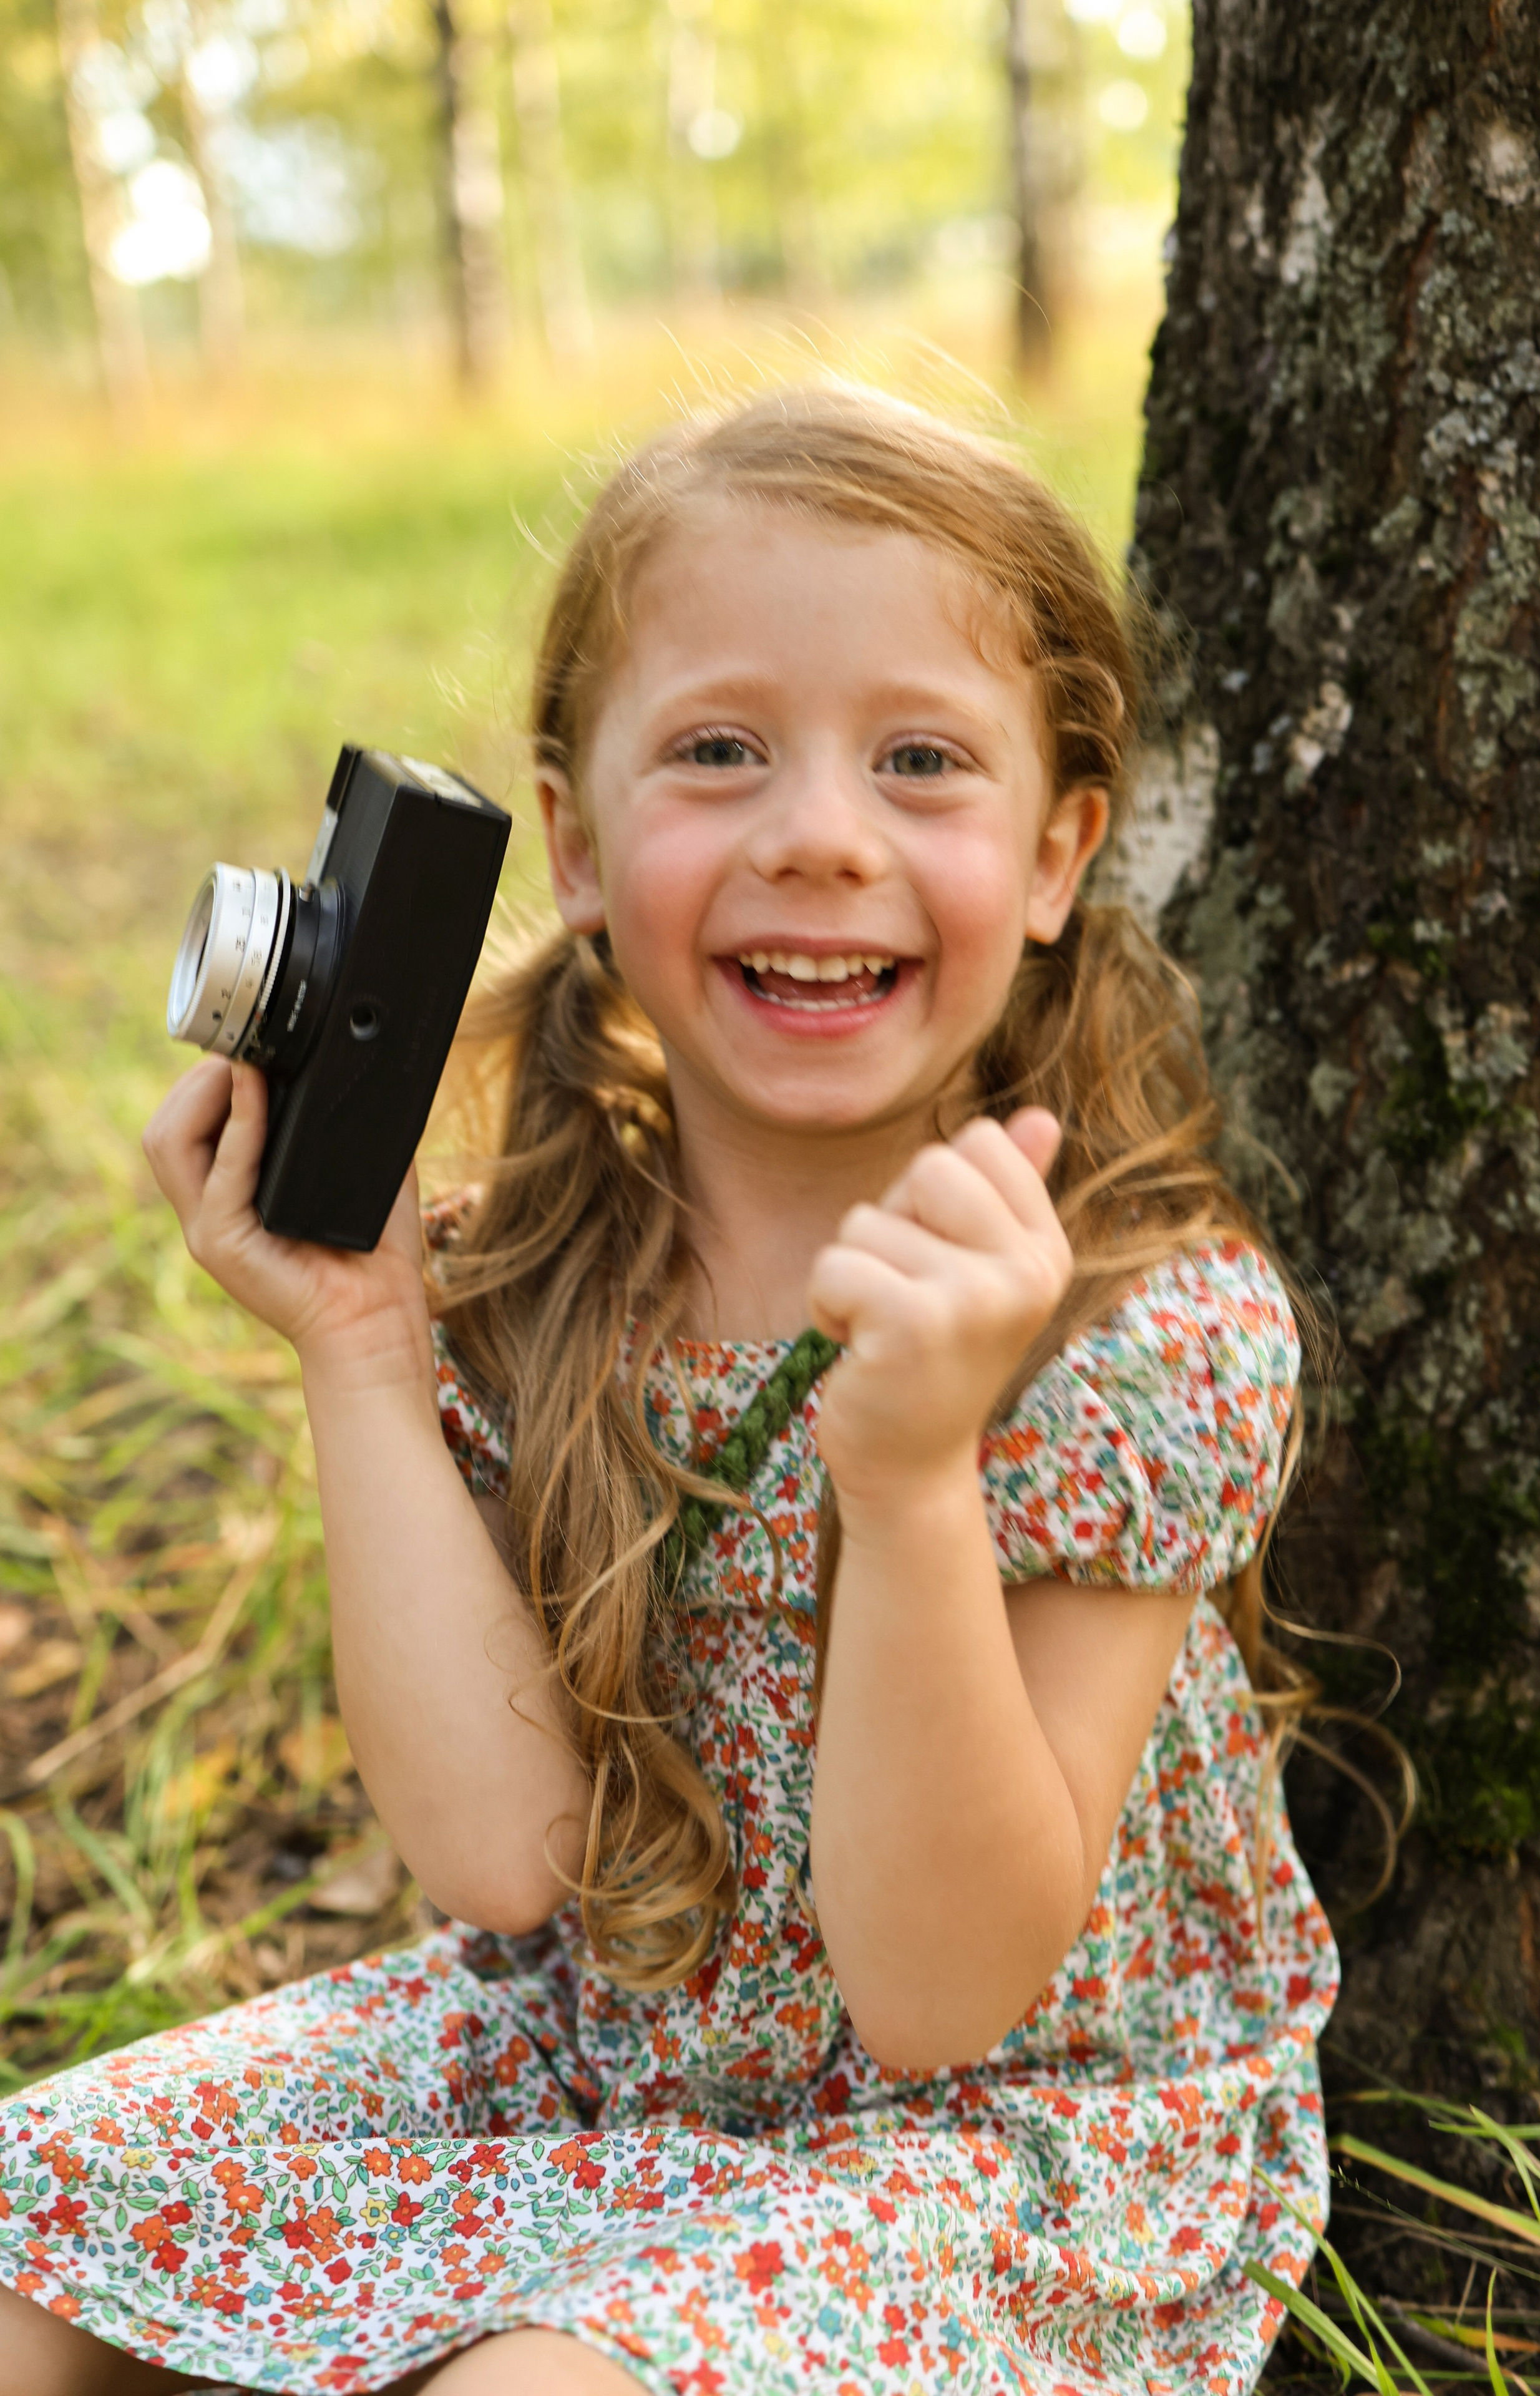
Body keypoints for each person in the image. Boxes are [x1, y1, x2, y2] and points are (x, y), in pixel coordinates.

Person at [0, 385, 1338, 2396]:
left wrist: (911, 1482)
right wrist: (361, 1349)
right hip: (590, 2059)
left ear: (1060, 851)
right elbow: (502, 1863)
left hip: (1000, 2150)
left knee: (538, 2389)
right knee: (28, 2236)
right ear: (578, 843)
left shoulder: (1128, 1334)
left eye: (920, 760)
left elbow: (942, 1996)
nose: (819, 833)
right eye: (720, 751)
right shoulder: (534, 1278)